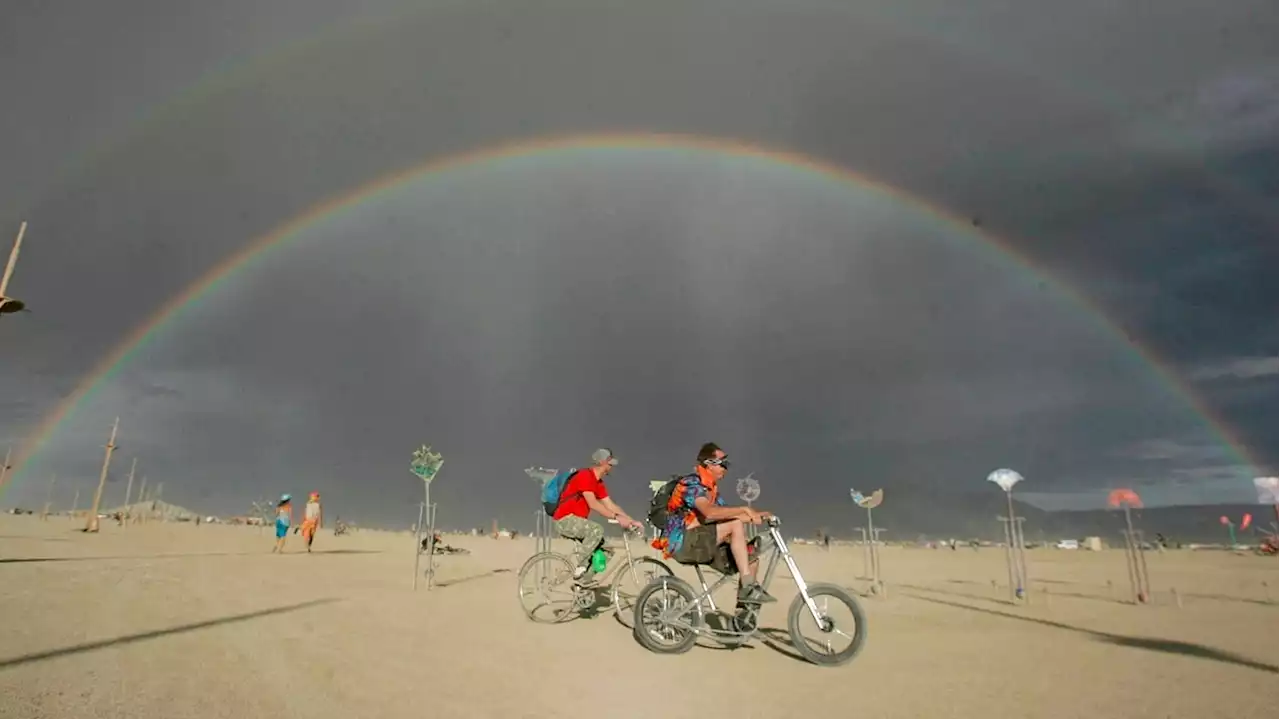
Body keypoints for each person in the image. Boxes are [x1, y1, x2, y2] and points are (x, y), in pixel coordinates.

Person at [656, 442, 775, 604]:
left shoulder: (710, 489)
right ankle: (748, 585)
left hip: (699, 540)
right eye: (723, 464)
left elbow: (726, 513)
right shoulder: (692, 484)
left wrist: (758, 515)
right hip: (682, 542)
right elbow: (710, 512)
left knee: (751, 558)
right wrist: (743, 510)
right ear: (709, 465)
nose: (725, 469)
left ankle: (743, 621)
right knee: (735, 525)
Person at [551, 448, 644, 581]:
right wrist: (616, 517)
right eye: (609, 462)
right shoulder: (585, 476)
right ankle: (581, 566)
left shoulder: (598, 483)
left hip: (578, 521)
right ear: (601, 462)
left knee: (608, 550)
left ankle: (584, 583)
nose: (611, 466)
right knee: (596, 529)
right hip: (565, 520)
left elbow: (611, 505)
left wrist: (630, 520)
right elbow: (593, 504)